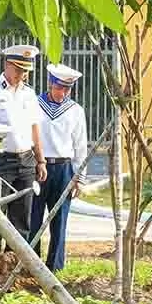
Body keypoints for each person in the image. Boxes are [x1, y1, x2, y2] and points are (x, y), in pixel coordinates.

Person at [0, 45, 45, 273]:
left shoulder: (28, 93)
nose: (22, 75)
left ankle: (17, 267)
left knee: (22, 218)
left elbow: (35, 129)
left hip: (25, 161)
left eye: (26, 71)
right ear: (7, 65)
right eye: (19, 70)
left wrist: (40, 160)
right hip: (0, 161)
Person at [32, 63, 89, 271]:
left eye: (67, 89)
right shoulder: (34, 104)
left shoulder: (75, 110)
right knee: (33, 218)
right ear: (50, 84)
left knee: (60, 221)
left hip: (64, 168)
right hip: (39, 165)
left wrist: (80, 177)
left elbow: (80, 145)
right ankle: (32, 263)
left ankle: (55, 266)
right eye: (59, 87)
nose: (63, 93)